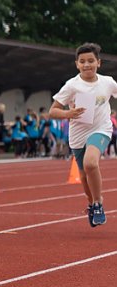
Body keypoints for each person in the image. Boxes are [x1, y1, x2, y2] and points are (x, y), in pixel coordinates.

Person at [49, 42, 117, 228]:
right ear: (77, 64)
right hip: (78, 134)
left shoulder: (108, 83)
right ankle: (91, 202)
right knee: (84, 176)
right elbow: (53, 111)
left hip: (101, 129)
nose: (87, 65)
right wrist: (67, 114)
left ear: (99, 63)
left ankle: (98, 203)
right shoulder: (72, 86)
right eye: (82, 61)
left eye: (91, 61)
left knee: (90, 163)